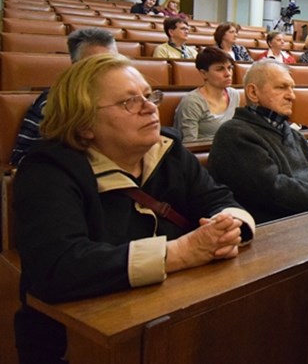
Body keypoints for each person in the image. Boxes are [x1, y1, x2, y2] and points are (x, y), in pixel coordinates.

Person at [13, 53, 254, 364]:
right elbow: (59, 266)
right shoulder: (47, 171)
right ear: (85, 124)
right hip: (78, 343)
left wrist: (229, 227)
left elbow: (220, 199)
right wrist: (180, 253)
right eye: (129, 102)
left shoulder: (168, 149)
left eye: (148, 95)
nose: (150, 107)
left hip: (176, 319)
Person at [208, 60, 308, 223]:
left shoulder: (294, 135)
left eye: (292, 88)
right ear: (253, 92)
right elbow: (272, 189)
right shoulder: (234, 133)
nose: (292, 96)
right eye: (281, 87)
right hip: (273, 233)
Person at [11, 28, 117, 166]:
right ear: (75, 65)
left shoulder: (123, 99)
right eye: (95, 64)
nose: (107, 70)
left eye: (113, 62)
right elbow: (23, 158)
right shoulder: (52, 103)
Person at [174, 47, 240, 142]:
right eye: (220, 69)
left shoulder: (234, 94)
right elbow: (189, 144)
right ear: (204, 73)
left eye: (230, 68)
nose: (228, 74)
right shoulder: (192, 102)